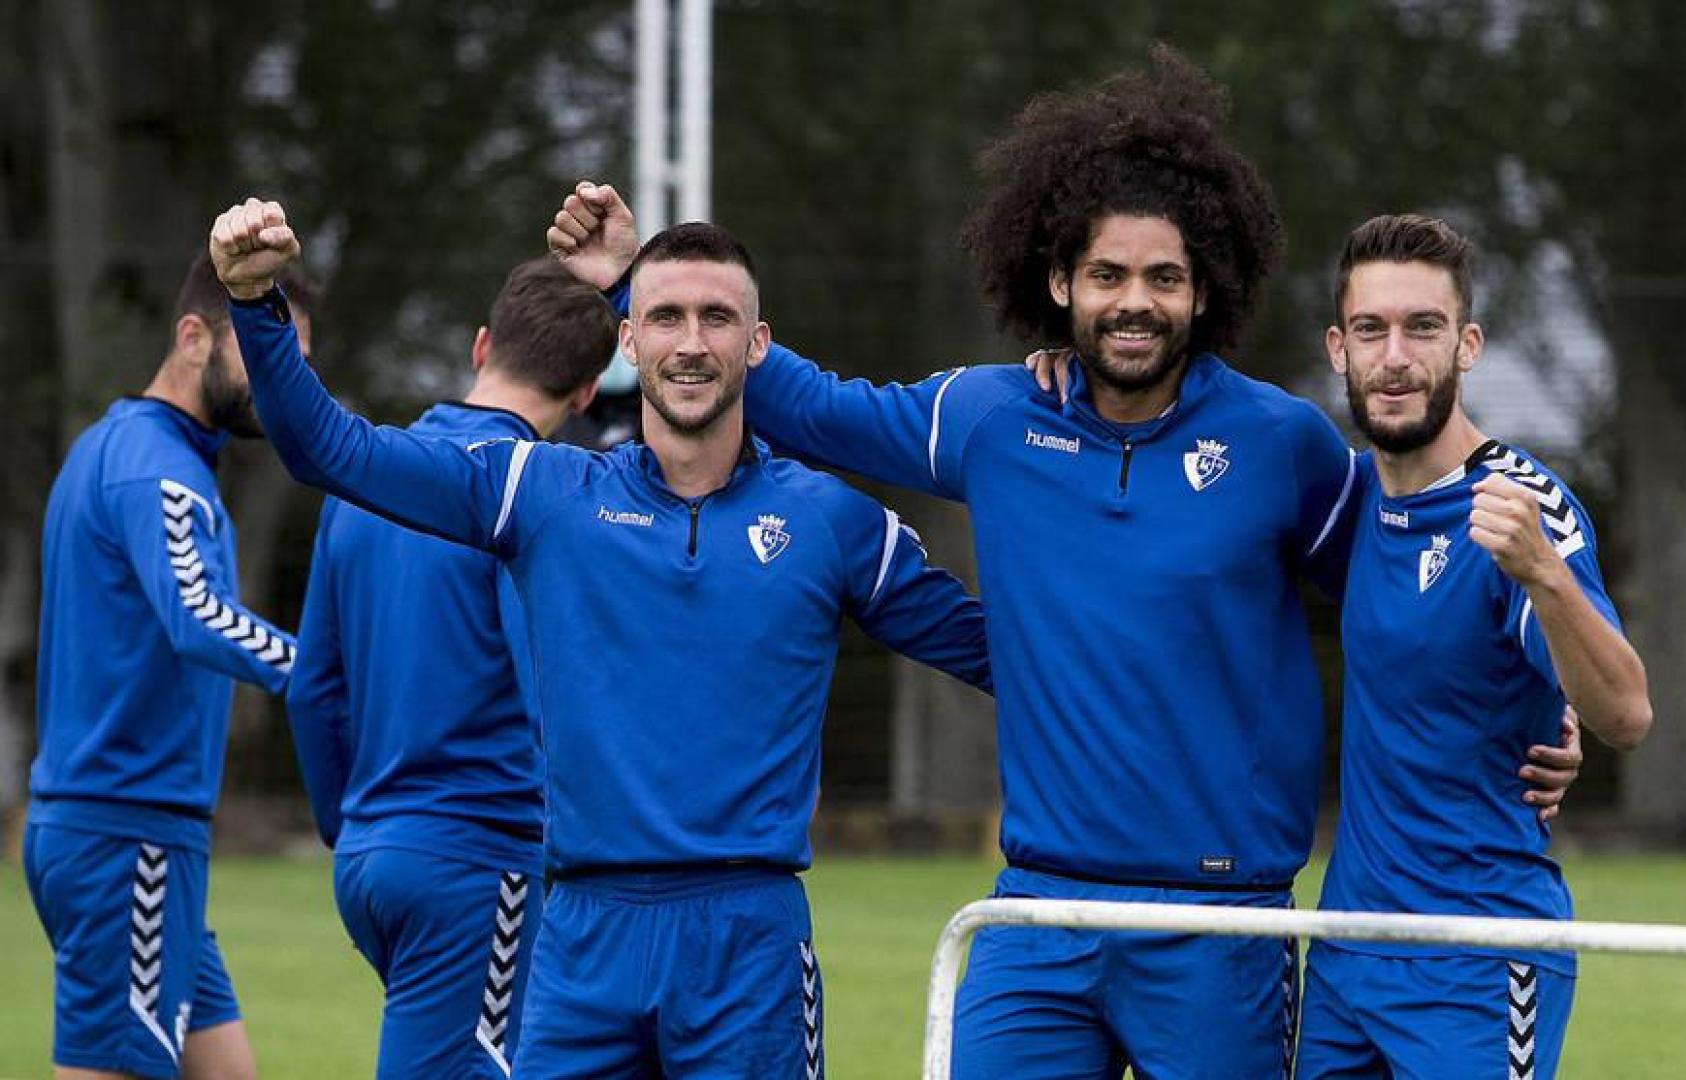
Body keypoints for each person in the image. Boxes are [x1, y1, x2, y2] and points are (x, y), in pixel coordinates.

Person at [544, 47, 1554, 1080]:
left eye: (1163, 278)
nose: (1134, 301)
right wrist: (631, 280)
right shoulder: (992, 416)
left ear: (1205, 291)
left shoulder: (1280, 443)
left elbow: (1403, 599)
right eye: (1107, 275)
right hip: (1036, 917)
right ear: (1061, 281)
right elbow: (805, 404)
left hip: (1223, 923)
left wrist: (1529, 710)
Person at [209, 197, 992, 1077]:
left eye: (717, 318)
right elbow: (331, 450)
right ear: (628, 340)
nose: (690, 343)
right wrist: (257, 307)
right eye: (665, 317)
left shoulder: (832, 522)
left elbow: (1004, 653)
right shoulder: (545, 494)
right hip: (582, 944)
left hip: (749, 944)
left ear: (758, 344)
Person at [1294, 214, 1653, 1079]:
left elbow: (1627, 714)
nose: (1396, 357)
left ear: (1467, 345)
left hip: (1480, 957)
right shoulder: (1351, 499)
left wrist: (1545, 576)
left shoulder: (1520, 509)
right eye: (1372, 330)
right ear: (1339, 349)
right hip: (1346, 951)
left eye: (1423, 327)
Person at [284, 258, 614, 1077]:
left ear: (480, 346)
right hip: (477, 860)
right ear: (583, 395)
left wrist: (355, 832)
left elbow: (313, 690)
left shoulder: (364, 479)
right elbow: (545, 686)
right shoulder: (530, 498)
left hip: (371, 858)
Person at [26, 252, 313, 1080]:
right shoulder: (160, 471)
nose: (283, 378)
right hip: (127, 836)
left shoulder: (111, 446)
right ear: (193, 338)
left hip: (118, 830)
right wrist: (324, 669)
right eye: (265, 352)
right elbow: (199, 617)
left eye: (294, 358)